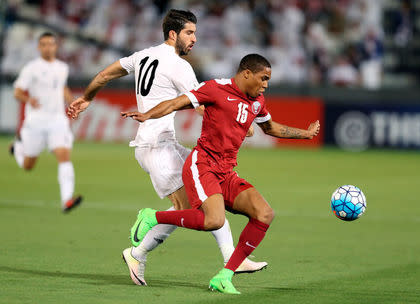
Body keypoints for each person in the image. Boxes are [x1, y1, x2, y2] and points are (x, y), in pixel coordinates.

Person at [67, 9, 265, 286]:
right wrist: (238, 120)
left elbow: (103, 75)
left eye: (195, 32)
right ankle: (137, 253)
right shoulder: (178, 65)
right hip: (155, 146)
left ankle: (232, 258)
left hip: (164, 144)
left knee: (211, 193)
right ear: (173, 34)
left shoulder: (142, 56)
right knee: (190, 209)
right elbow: (203, 105)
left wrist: (87, 98)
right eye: (189, 33)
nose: (194, 39)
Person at [120, 53, 321, 294]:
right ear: (247, 73)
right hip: (202, 165)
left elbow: (269, 127)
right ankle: (152, 216)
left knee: (264, 213)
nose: (266, 85)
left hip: (226, 171)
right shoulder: (216, 88)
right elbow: (177, 103)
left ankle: (224, 276)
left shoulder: (257, 101)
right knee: (213, 220)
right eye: (263, 78)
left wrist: (305, 134)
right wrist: (147, 115)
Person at [10, 32, 82, 213]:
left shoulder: (62, 67)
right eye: (43, 44)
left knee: (64, 156)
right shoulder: (31, 68)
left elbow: (62, 88)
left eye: (50, 44)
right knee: (28, 165)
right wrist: (29, 100)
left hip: (57, 120)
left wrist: (72, 102)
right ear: (38, 47)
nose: (47, 47)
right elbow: (17, 91)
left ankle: (67, 200)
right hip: (35, 121)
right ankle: (18, 147)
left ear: (56, 47)